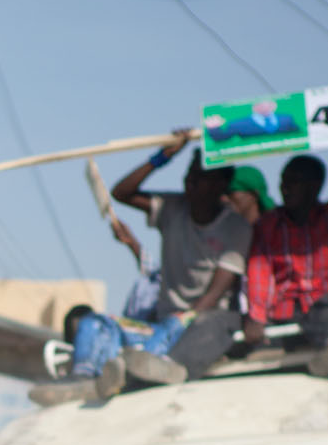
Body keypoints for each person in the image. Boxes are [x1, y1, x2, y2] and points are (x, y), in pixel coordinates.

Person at [103, 131, 250, 389]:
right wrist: (163, 157)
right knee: (97, 324)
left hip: (207, 321)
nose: (190, 182)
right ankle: (89, 375)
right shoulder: (172, 208)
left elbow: (211, 299)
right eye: (189, 175)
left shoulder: (236, 228)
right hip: (162, 324)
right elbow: (122, 192)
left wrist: (178, 321)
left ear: (221, 184)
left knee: (201, 324)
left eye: (200, 177)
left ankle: (162, 367)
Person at [242, 148, 328, 378]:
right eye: (283, 181)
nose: (285, 188)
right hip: (280, 315)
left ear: (315, 186)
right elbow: (259, 270)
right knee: (252, 337)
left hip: (320, 312)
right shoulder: (269, 225)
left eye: (294, 182)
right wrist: (257, 316)